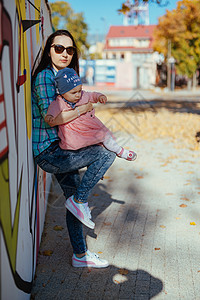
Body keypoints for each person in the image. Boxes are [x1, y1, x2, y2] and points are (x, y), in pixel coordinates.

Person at [31, 29, 116, 268]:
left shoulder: (64, 75)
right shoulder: (46, 77)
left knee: (72, 202)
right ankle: (79, 201)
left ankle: (80, 255)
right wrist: (82, 108)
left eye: (70, 49)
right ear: (49, 50)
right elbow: (51, 119)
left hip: (60, 148)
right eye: (59, 48)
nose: (65, 53)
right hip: (49, 151)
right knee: (105, 152)